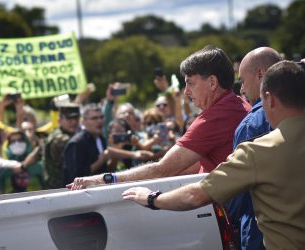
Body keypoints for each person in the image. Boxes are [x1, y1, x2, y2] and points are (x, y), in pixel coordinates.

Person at [122, 60, 305, 249]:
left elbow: (195, 195)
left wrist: (151, 198)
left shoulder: (258, 151)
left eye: (191, 83)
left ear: (270, 99)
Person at [67, 46, 250, 190]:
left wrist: (106, 179)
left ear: (212, 82)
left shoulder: (215, 117)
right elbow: (189, 167)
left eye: (190, 84)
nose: (186, 92)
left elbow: (163, 170)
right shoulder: (237, 105)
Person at [227, 47, 282, 250]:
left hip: (260, 229)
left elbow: (237, 187)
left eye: (242, 80)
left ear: (260, 74)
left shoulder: (251, 124)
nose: (241, 89)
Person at [63, 103, 108, 185]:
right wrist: (100, 161)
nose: (100, 121)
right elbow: (76, 177)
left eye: (101, 117)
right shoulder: (77, 143)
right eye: (94, 118)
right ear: (83, 121)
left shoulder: (101, 139)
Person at [44, 103, 81, 189]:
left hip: (63, 187)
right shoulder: (61, 139)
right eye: (69, 119)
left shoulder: (56, 134)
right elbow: (74, 168)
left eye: (76, 118)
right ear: (59, 120)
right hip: (61, 188)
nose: (74, 122)